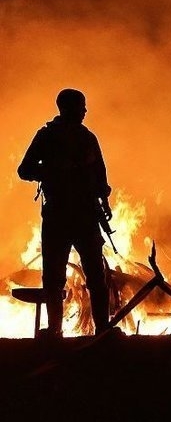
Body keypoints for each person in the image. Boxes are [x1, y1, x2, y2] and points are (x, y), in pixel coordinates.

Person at [17, 88, 113, 337]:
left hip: (85, 215)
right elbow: (24, 170)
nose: (84, 111)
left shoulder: (88, 138)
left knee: (95, 274)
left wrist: (104, 202)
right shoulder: (46, 137)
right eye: (81, 106)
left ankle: (102, 328)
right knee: (54, 277)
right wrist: (55, 170)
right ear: (67, 108)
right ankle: (56, 329)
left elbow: (100, 176)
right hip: (58, 216)